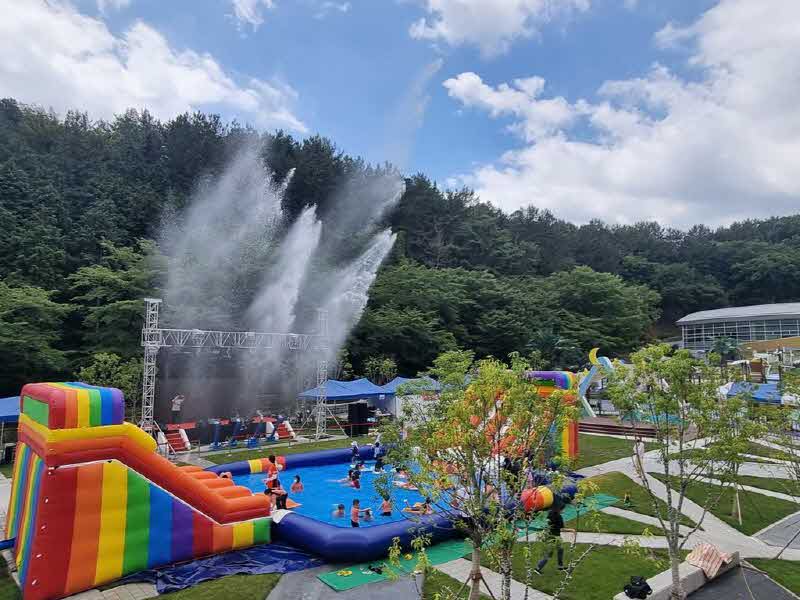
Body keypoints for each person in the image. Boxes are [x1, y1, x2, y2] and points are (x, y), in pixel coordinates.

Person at [534, 504, 575, 575]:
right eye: (563, 509)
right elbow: (562, 529)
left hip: (549, 536)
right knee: (549, 554)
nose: (564, 511)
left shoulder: (550, 514)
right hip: (554, 537)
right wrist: (571, 530)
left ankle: (560, 566)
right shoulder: (559, 517)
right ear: (560, 510)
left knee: (560, 549)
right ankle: (538, 568)